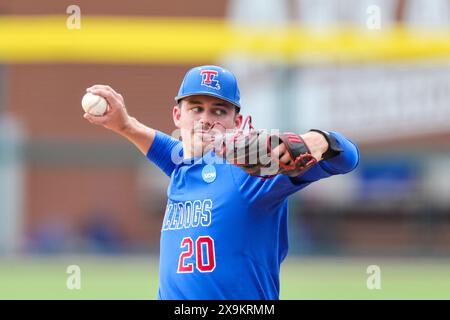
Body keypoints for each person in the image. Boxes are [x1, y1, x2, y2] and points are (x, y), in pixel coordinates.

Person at [83, 65, 360, 300]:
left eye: (218, 111)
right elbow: (166, 149)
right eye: (195, 108)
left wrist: (318, 140)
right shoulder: (182, 165)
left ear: (236, 121)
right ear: (178, 116)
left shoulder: (255, 174)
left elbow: (346, 159)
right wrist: (125, 125)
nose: (205, 119)